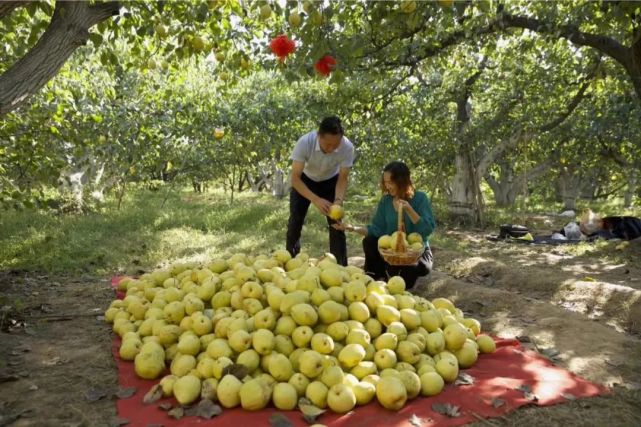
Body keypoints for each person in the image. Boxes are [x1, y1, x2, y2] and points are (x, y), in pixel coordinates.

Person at [333, 161, 436, 288]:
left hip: (415, 252)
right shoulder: (386, 201)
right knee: (369, 241)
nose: (387, 186)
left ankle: (394, 275)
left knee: (414, 269)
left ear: (402, 181)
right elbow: (376, 229)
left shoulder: (420, 198)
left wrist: (409, 209)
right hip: (392, 251)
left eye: (391, 182)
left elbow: (427, 229)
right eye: (385, 182)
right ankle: (375, 276)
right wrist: (352, 228)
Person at [286, 116, 355, 266]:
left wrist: (337, 201)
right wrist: (315, 199)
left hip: (331, 181)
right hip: (305, 180)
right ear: (319, 135)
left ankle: (340, 266)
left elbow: (343, 178)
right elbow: (295, 179)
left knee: (336, 223)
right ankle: (291, 261)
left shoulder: (347, 147)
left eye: (336, 145)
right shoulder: (305, 143)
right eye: (328, 144)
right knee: (295, 220)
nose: (332, 149)